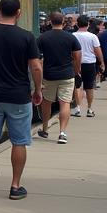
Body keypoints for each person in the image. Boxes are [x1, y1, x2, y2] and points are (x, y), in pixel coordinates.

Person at [0, 0, 42, 200]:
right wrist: (37, 89)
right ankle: (15, 186)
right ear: (18, 13)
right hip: (19, 95)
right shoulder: (27, 36)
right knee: (19, 141)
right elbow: (36, 66)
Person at [36, 11, 82, 144]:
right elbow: (77, 55)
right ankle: (62, 133)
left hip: (49, 75)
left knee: (46, 102)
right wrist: (76, 70)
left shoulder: (42, 38)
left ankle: (45, 128)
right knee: (65, 103)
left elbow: (37, 59)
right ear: (63, 22)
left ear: (50, 21)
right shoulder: (71, 38)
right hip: (67, 74)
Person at [73, 15, 104, 117]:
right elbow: (97, 50)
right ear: (88, 24)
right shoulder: (93, 36)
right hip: (90, 63)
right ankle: (89, 109)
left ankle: (77, 108)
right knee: (89, 87)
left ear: (77, 24)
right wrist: (102, 62)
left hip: (75, 64)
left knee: (77, 86)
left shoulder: (72, 36)